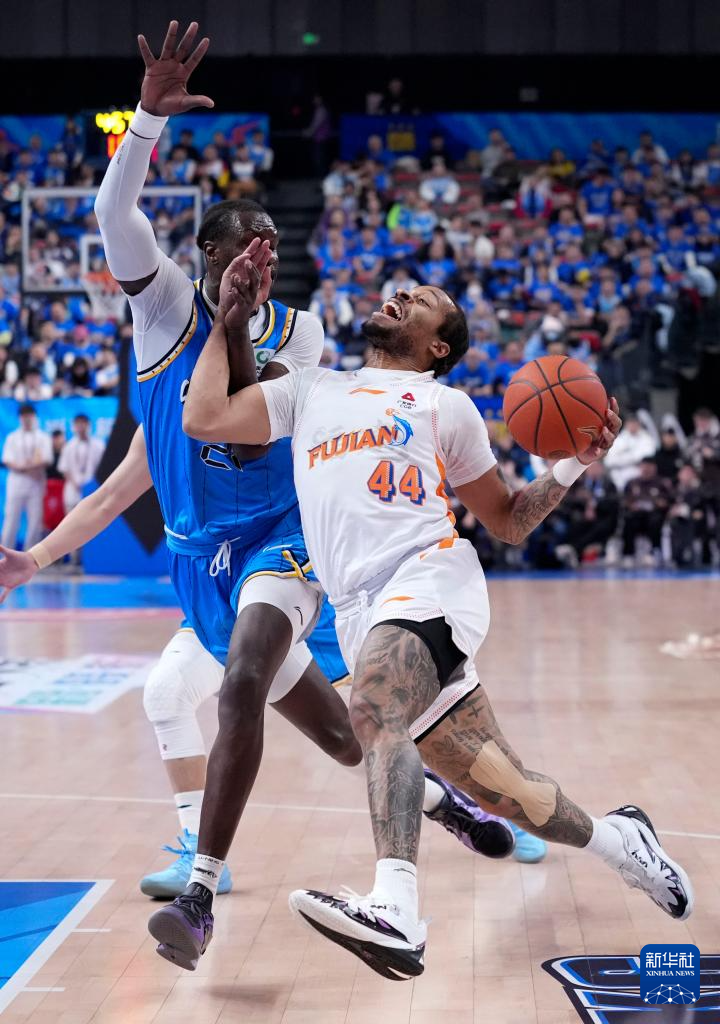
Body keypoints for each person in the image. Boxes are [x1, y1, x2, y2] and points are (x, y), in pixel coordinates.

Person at [92, 20, 513, 936]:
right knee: (338, 736)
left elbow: (247, 437)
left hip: (280, 540)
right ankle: (445, 805)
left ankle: (200, 892)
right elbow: (114, 218)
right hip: (199, 557)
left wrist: (238, 324)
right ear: (207, 257)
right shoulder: (162, 305)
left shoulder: (304, 331)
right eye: (247, 246)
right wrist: (145, 123)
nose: (264, 258)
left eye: (273, 245)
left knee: (240, 680)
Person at [185, 272, 693, 980]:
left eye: (422, 300)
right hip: (360, 609)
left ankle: (396, 909)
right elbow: (206, 417)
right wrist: (226, 320)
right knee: (509, 791)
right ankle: (620, 840)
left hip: (428, 576)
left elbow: (507, 520)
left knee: (372, 708)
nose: (402, 293)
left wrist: (573, 466)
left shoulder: (442, 405)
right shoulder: (311, 388)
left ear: (437, 347)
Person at [1, 404, 52, 549]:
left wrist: (26, 466)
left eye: (30, 416)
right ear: (19, 418)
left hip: (36, 484)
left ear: (35, 417)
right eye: (24, 416)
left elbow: (47, 459)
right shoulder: (12, 437)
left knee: (35, 521)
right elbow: (7, 461)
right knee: (11, 520)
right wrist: (25, 467)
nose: (27, 419)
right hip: (16, 484)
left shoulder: (43, 437)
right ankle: (5, 553)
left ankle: (30, 556)